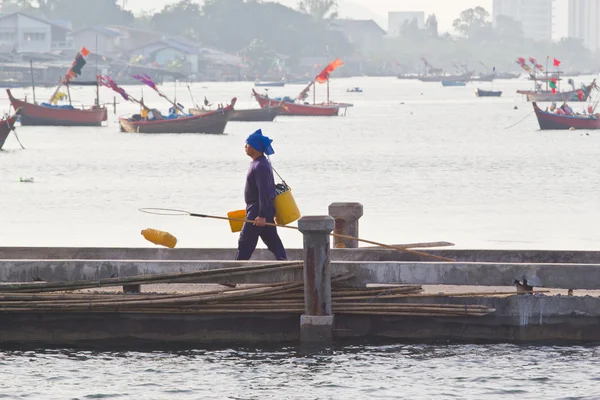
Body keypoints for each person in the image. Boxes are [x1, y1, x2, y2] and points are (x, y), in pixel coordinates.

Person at [235, 129, 287, 261]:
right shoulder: (260, 163)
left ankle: (232, 277)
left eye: (247, 144)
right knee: (273, 242)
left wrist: (262, 215)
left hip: (258, 210)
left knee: (245, 242)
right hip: (260, 209)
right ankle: (284, 263)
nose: (245, 147)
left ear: (255, 148)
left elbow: (263, 192)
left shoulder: (260, 166)